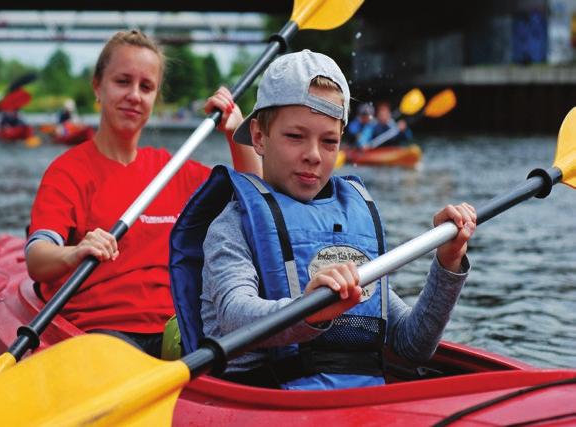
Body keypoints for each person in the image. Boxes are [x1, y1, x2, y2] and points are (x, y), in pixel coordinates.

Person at [169, 50, 476, 390]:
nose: (313, 154)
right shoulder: (231, 226)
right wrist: (310, 310)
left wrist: (448, 264)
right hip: (264, 400)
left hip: (358, 407)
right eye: (295, 137)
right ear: (258, 136)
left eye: (329, 141)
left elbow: (412, 344)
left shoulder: (350, 223)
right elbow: (235, 316)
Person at [24, 29, 260, 358]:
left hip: (179, 330)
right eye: (122, 81)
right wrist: (75, 252)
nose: (135, 95)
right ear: (98, 86)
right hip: (102, 333)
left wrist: (237, 133)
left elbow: (258, 205)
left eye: (146, 87)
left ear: (154, 97)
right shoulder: (68, 172)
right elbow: (37, 259)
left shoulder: (174, 170)